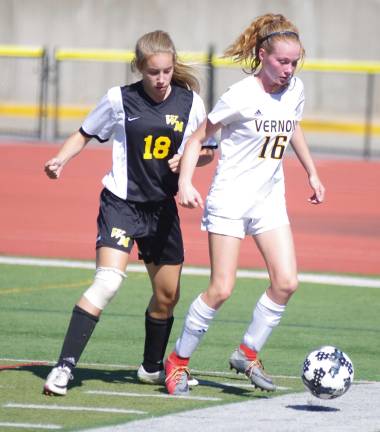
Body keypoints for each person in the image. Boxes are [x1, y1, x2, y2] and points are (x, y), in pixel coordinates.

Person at [43, 30, 215, 396]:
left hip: (162, 211)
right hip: (121, 204)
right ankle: (64, 367)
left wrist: (189, 158)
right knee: (108, 282)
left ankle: (151, 368)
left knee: (168, 297)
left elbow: (208, 151)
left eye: (167, 71)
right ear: (140, 68)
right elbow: (84, 132)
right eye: (153, 72)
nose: (161, 79)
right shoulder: (119, 100)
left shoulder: (191, 103)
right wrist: (61, 158)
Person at [164, 13, 325, 396]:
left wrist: (312, 173)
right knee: (221, 289)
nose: (289, 69)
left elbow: (293, 124)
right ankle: (178, 362)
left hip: (269, 199)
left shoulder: (295, 90)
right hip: (230, 201)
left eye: (294, 62)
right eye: (282, 61)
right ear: (262, 55)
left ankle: (247, 352)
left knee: (286, 283)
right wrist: (185, 182)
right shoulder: (240, 96)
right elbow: (198, 138)